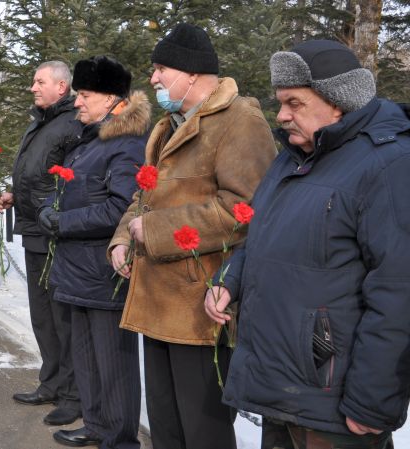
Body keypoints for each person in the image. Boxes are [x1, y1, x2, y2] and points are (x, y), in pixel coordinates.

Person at [204, 40, 410, 449]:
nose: (281, 115)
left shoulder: (390, 163)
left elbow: (399, 293)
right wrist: (230, 279)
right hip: (279, 385)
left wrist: (372, 403)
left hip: (334, 403)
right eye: (280, 103)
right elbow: (263, 235)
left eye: (294, 103)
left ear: (338, 103)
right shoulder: (293, 156)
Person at [108, 23, 276, 449]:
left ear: (193, 73)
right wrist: (123, 237)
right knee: (166, 427)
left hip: (202, 306)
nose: (153, 78)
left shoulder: (240, 121)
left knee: (203, 433)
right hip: (158, 300)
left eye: (161, 69)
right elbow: (144, 194)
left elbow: (245, 210)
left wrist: (154, 230)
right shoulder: (170, 124)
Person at [40, 55, 149, 448]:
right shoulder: (91, 140)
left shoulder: (126, 144)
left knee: (113, 362)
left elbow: (121, 207)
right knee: (87, 358)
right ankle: (97, 425)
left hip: (105, 273)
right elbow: (74, 190)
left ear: (111, 99)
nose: (78, 101)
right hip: (78, 270)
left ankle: (120, 438)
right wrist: (49, 208)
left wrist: (63, 222)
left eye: (85, 94)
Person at [0, 61, 83, 426]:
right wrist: (13, 195)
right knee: (42, 316)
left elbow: (73, 179)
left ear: (61, 86)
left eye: (39, 81)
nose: (33, 87)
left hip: (57, 234)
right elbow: (36, 175)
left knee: (64, 319)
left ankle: (74, 396)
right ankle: (51, 383)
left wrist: (54, 214)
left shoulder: (73, 124)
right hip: (33, 230)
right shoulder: (39, 123)